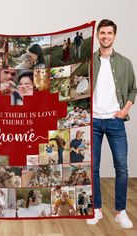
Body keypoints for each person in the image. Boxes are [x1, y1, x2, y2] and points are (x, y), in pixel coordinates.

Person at [86, 19, 136, 229]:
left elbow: (133, 89)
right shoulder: (88, 61)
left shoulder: (125, 63)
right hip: (93, 121)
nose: (105, 36)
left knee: (122, 168)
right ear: (97, 35)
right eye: (102, 33)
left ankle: (120, 211)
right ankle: (96, 209)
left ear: (114, 36)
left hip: (115, 121)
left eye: (109, 33)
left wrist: (125, 110)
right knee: (93, 168)